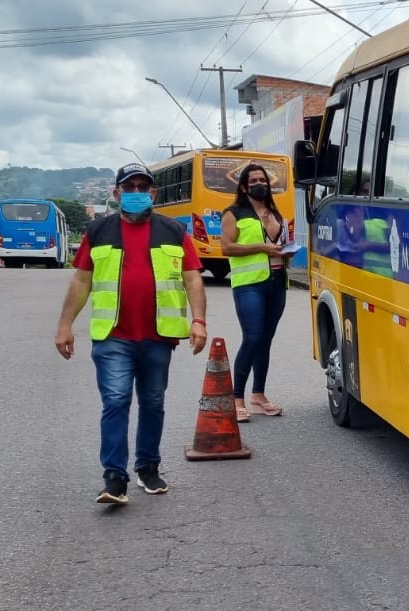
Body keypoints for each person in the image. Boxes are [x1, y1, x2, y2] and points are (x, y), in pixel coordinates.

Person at [54, 162, 208, 505]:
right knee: (116, 400)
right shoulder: (99, 231)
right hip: (113, 336)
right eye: (130, 187)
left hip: (158, 336)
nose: (136, 193)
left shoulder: (173, 231)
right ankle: (114, 478)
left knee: (153, 403)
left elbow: (193, 278)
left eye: (143, 188)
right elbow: (81, 280)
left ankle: (148, 468)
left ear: (153, 193)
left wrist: (199, 321)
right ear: (116, 193)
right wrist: (65, 326)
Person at [219, 162, 290, 421]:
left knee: (265, 340)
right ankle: (236, 398)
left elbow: (277, 244)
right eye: (254, 181)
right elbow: (226, 247)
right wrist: (262, 248)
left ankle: (258, 395)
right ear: (244, 186)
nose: (259, 184)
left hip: (277, 281)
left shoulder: (274, 212)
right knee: (252, 337)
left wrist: (285, 251)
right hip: (249, 284)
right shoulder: (234, 213)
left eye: (263, 180)